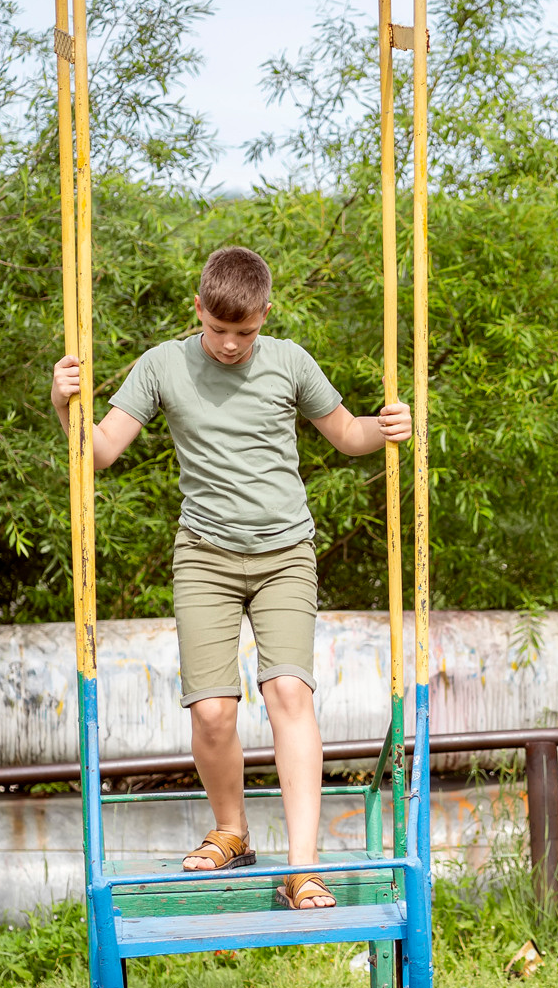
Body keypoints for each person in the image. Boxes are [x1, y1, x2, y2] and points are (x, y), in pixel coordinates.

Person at [49, 246, 411, 907]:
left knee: (288, 695)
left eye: (244, 332)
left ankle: (303, 867)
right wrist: (66, 406)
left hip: (284, 554)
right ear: (199, 310)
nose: (229, 344)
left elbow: (348, 434)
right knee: (214, 712)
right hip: (206, 556)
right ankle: (232, 831)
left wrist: (388, 427)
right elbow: (98, 453)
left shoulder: (289, 362)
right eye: (218, 330)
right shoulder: (163, 364)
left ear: (264, 317)